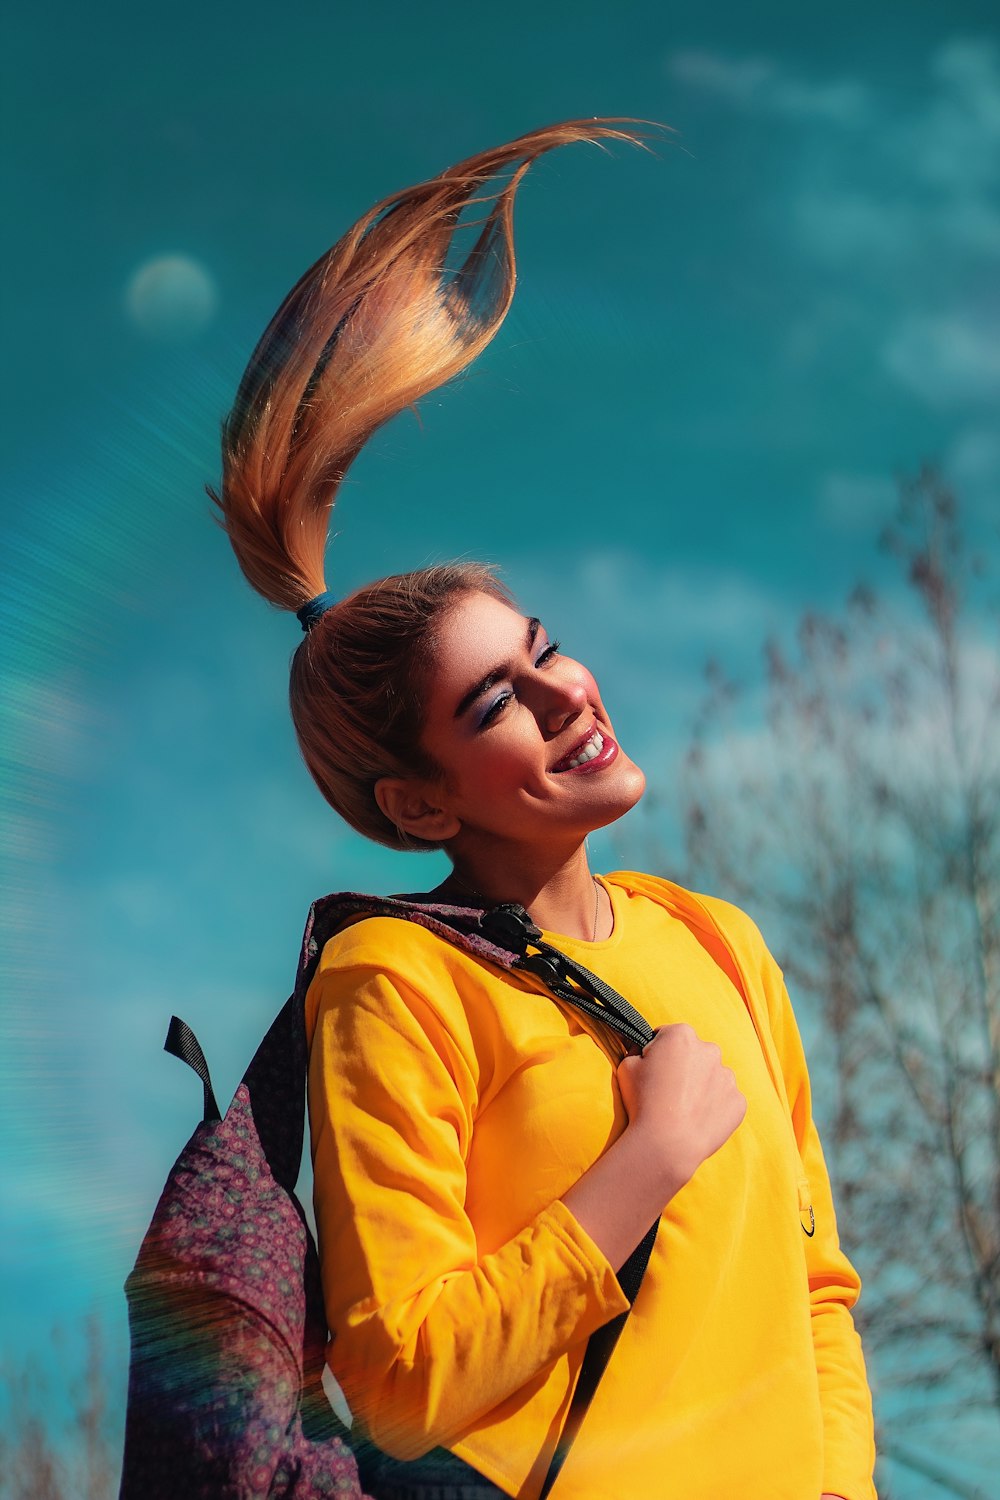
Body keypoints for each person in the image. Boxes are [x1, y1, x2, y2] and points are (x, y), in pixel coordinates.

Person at [208, 118, 878, 1500]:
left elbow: (816, 1290)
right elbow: (396, 1390)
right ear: (413, 798)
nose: (567, 692)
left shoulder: (721, 946)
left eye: (545, 647)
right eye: (496, 701)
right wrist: (643, 1161)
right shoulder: (391, 982)